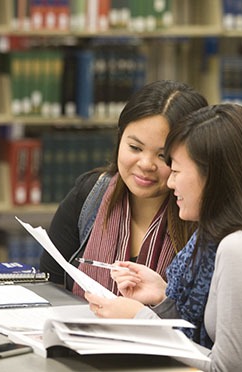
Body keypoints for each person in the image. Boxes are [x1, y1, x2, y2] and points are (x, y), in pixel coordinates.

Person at [85, 103, 242, 371]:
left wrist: (140, 319)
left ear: (213, 178)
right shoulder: (221, 234)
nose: (171, 183)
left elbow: (225, 369)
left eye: (176, 171)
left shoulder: (240, 248)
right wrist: (163, 295)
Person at [39, 80, 208, 294]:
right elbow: (49, 284)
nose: (146, 164)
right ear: (119, 140)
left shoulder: (205, 221)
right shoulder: (90, 194)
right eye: (135, 147)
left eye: (163, 155)